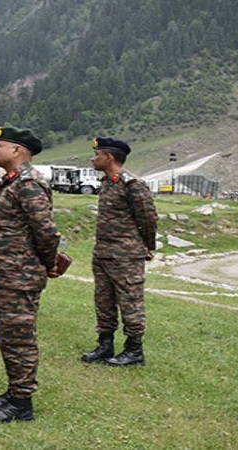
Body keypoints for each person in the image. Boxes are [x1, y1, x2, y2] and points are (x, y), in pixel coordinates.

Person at [0, 125, 61, 422]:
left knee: (19, 339)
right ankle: (14, 392)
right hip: (7, 274)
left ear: (16, 150)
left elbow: (47, 232)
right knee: (9, 337)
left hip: (20, 276)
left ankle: (22, 403)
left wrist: (49, 263)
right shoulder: (13, 182)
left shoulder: (28, 184)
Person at [81, 137, 158, 366]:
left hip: (126, 256)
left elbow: (148, 218)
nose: (93, 159)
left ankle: (134, 350)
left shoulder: (132, 184)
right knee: (103, 301)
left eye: (97, 154)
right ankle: (105, 345)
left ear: (109, 157)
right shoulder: (107, 182)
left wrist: (147, 246)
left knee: (130, 301)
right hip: (103, 252)